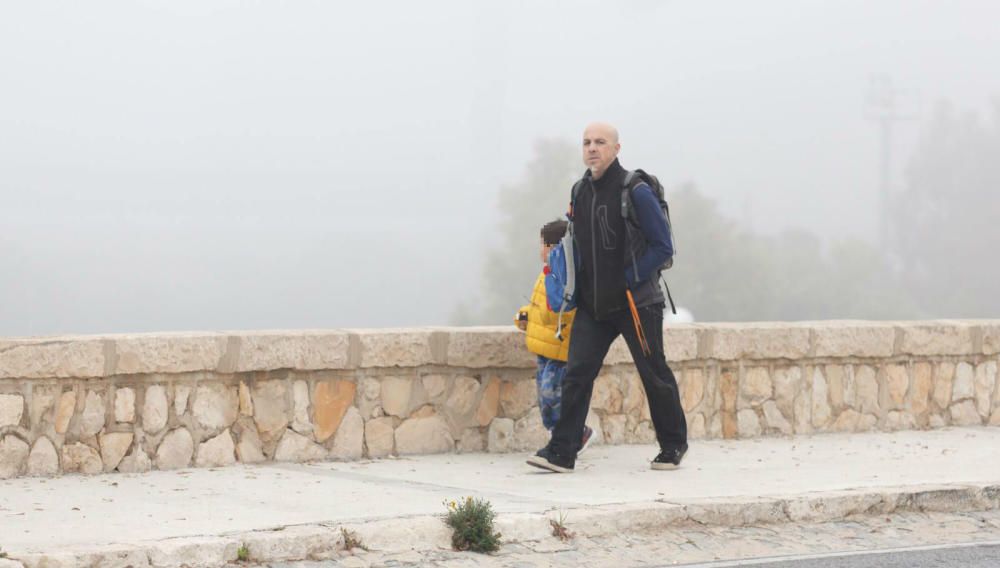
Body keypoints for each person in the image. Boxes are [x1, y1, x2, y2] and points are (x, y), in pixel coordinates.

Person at [527, 122, 687, 473]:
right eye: (586, 143)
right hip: (593, 305)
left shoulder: (636, 191)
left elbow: (663, 247)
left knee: (653, 373)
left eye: (600, 142)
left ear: (616, 148)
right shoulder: (580, 190)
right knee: (576, 375)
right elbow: (576, 246)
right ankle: (562, 451)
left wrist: (628, 280)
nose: (592, 148)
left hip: (636, 303)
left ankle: (673, 445)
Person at [516, 220, 594, 451]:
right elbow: (537, 307)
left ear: (553, 247)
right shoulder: (546, 275)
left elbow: (559, 312)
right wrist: (523, 317)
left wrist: (541, 314)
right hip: (544, 348)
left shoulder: (567, 278)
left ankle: (574, 434)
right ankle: (560, 438)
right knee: (544, 399)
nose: (540, 249)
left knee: (553, 396)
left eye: (542, 244)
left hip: (559, 350)